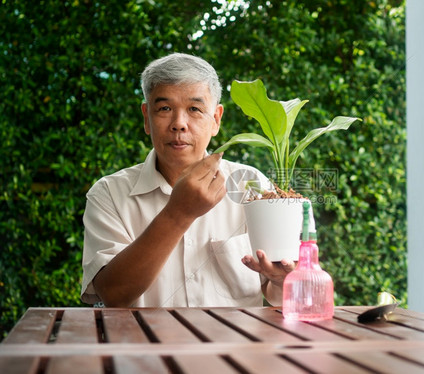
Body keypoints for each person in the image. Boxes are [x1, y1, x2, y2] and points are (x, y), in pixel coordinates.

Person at [81, 53, 295, 308]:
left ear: (216, 119)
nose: (179, 124)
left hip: (235, 346)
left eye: (194, 109)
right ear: (146, 117)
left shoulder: (250, 185)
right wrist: (178, 212)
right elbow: (112, 295)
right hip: (145, 346)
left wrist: (284, 281)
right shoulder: (109, 194)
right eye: (164, 109)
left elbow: (280, 293)